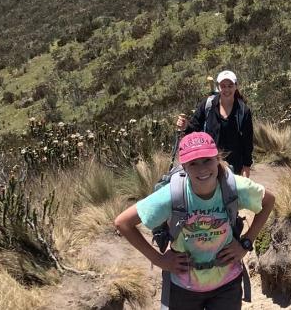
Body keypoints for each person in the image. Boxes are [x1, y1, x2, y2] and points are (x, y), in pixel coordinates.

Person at [114, 132, 275, 310]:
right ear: (184, 166)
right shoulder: (172, 195)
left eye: (207, 160)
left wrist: (246, 242)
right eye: (193, 163)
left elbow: (269, 201)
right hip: (184, 286)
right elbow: (123, 222)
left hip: (227, 283)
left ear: (217, 158)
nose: (202, 169)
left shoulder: (234, 187)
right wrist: (158, 260)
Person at [177, 70, 254, 178]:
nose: (226, 89)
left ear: (236, 86)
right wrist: (185, 126)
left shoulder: (243, 111)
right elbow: (195, 128)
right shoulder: (208, 105)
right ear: (218, 87)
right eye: (223, 86)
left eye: (230, 86)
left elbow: (247, 141)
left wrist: (246, 166)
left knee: (231, 193)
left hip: (235, 165)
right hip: (210, 162)